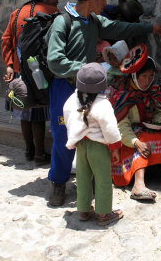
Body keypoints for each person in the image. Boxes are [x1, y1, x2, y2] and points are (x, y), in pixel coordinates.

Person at [45, 0, 161, 206]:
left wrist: (149, 27)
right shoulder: (62, 22)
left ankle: (87, 183)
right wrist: (85, 69)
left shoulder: (94, 20)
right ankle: (58, 181)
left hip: (88, 89)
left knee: (91, 136)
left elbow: (121, 28)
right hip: (64, 88)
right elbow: (54, 60)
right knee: (63, 137)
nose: (106, 2)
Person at [1, 0, 61, 164]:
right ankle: (39, 154)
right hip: (38, 73)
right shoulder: (51, 12)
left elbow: (6, 39)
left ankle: (28, 151)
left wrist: (9, 64)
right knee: (36, 113)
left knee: (24, 113)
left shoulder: (17, 12)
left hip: (19, 72)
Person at [109, 45, 161, 201]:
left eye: (151, 76)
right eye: (144, 76)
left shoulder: (152, 90)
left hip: (142, 131)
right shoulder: (122, 94)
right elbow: (120, 126)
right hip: (122, 139)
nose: (148, 81)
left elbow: (159, 110)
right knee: (143, 140)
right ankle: (138, 185)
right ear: (134, 76)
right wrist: (136, 142)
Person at [63, 63, 123, 226]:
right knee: (103, 178)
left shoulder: (72, 100)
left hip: (82, 146)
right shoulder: (103, 104)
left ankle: (83, 210)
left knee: (82, 178)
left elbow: (67, 115)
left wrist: (74, 135)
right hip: (99, 147)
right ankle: (104, 213)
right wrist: (115, 147)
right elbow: (110, 128)